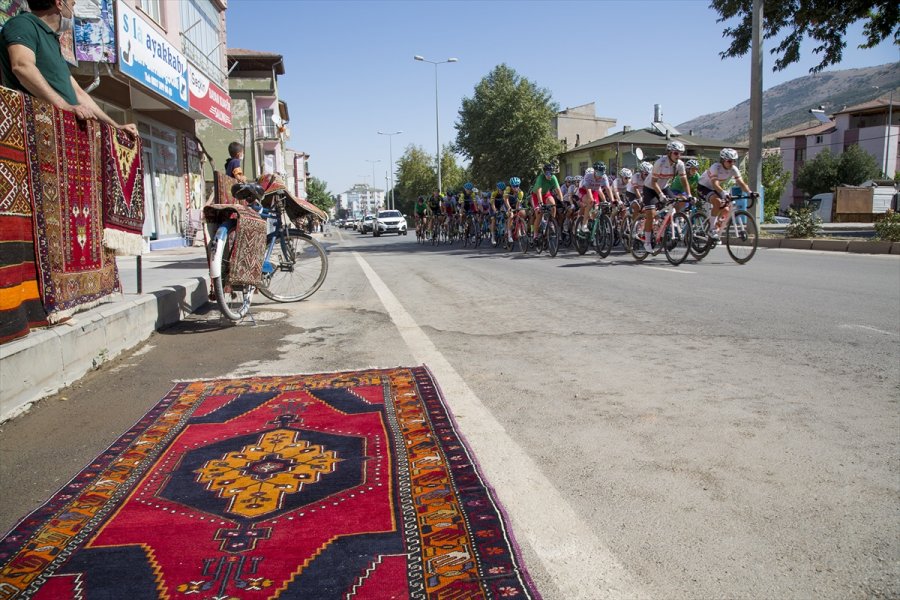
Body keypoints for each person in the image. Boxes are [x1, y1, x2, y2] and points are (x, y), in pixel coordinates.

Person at [0, 0, 137, 137]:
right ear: (59, 3)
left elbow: (78, 92)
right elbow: (22, 67)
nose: (73, 10)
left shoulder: (52, 40)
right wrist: (65, 107)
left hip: (61, 133)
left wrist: (116, 126)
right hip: (35, 131)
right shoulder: (22, 24)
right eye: (72, 4)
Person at [697, 148, 757, 238]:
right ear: (722, 160)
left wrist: (750, 192)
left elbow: (741, 183)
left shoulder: (733, 169)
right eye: (729, 161)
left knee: (726, 210)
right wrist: (723, 193)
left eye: (734, 161)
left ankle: (716, 228)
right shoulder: (715, 167)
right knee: (717, 202)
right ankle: (711, 229)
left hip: (715, 189)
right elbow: (715, 183)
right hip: (703, 187)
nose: (732, 163)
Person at [530, 163, 561, 243]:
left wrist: (562, 201)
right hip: (536, 195)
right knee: (539, 215)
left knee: (553, 205)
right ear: (544, 172)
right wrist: (540, 203)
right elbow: (539, 191)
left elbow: (558, 190)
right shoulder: (540, 178)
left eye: (551, 173)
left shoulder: (553, 178)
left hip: (546, 194)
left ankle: (551, 222)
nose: (549, 175)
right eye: (547, 173)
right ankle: (535, 234)